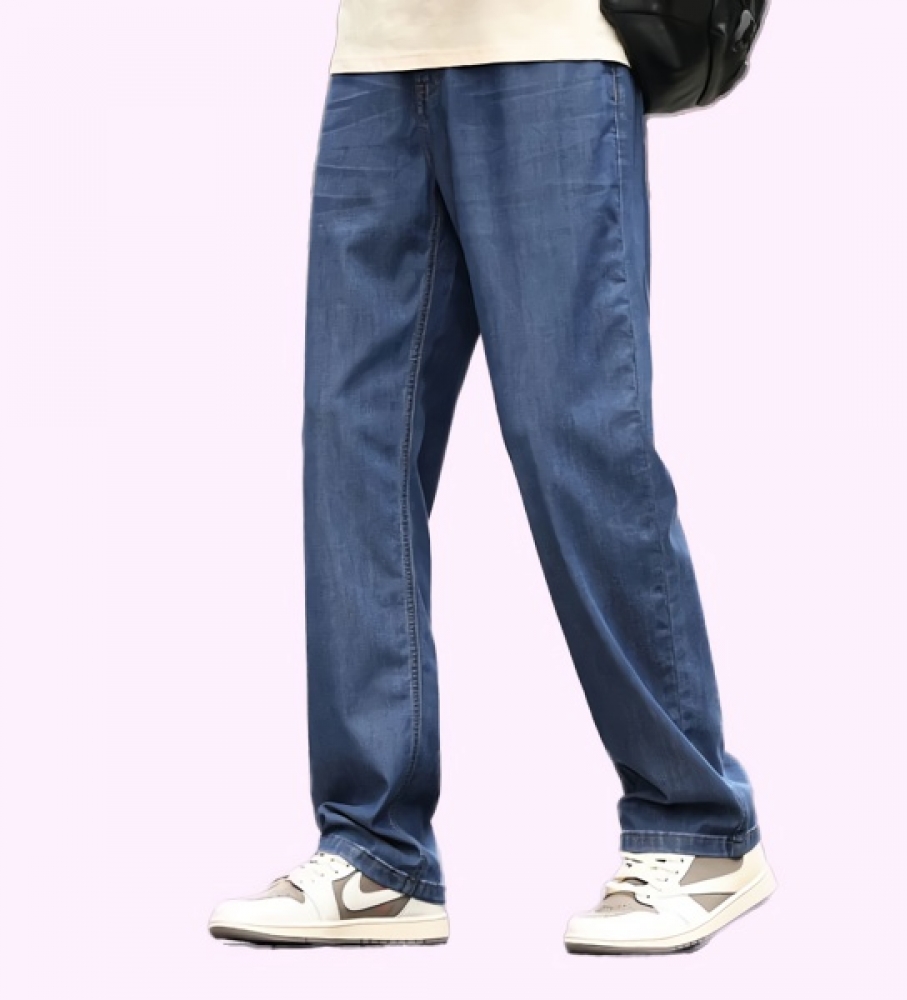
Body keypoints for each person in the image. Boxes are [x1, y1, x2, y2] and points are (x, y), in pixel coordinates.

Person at [208, 0, 776, 954]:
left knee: (574, 434)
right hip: (378, 57)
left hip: (548, 47)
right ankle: (374, 853)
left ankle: (699, 828)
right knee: (353, 447)